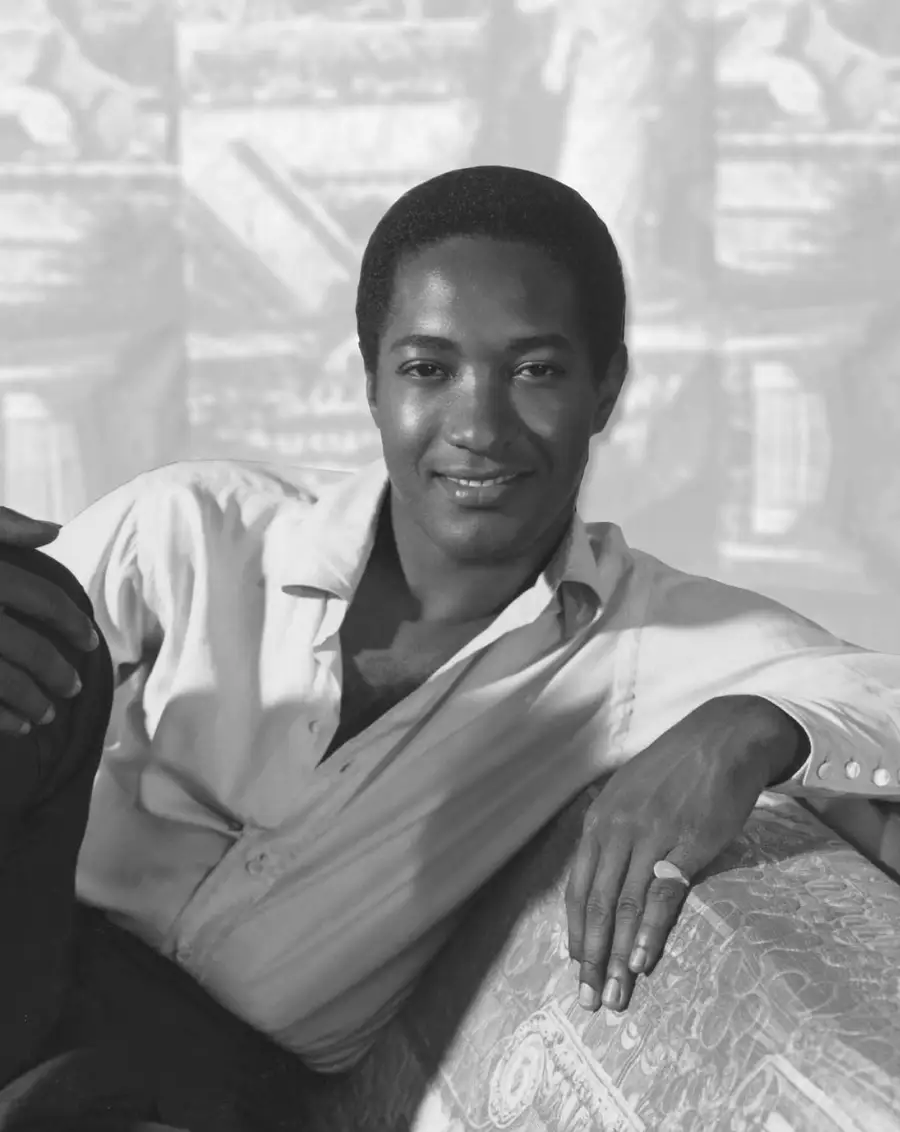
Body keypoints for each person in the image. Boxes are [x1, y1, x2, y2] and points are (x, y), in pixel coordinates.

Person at [2, 165, 900, 1130]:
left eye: (535, 371)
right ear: (373, 383)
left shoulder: (655, 639)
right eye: (429, 370)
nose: (478, 428)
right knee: (31, 610)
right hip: (33, 957)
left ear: (607, 387)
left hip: (218, 1087)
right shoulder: (198, 525)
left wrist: (749, 729)